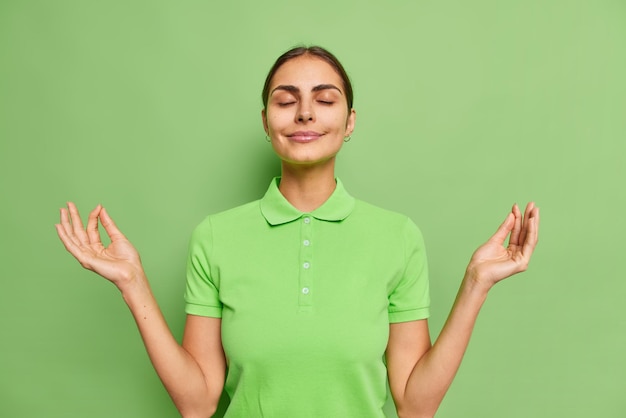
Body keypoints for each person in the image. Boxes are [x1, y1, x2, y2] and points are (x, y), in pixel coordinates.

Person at [55, 46, 540, 418]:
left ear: (349, 122)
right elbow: (198, 403)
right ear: (266, 123)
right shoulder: (215, 237)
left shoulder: (397, 236)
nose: (305, 113)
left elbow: (415, 405)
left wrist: (476, 283)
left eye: (324, 100)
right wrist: (132, 281)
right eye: (286, 102)